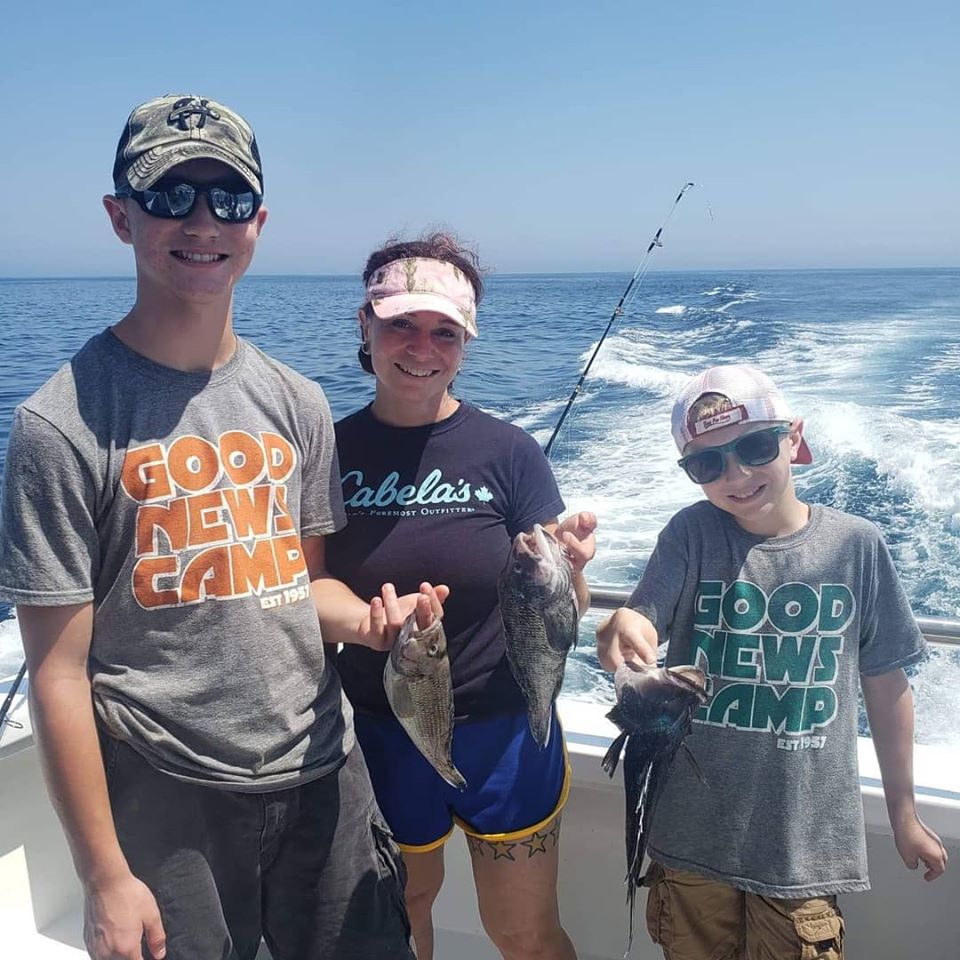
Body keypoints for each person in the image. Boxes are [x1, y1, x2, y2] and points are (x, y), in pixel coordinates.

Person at [0, 94, 424, 960]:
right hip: (164, 788)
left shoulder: (299, 402)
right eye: (169, 195)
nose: (202, 222)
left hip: (324, 768)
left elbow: (304, 583)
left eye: (228, 199)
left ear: (257, 223)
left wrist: (375, 623)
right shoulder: (58, 425)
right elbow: (58, 671)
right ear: (120, 217)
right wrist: (104, 876)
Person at [596, 363, 948, 960]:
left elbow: (886, 685)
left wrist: (905, 814)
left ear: (794, 438)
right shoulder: (689, 534)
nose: (736, 475)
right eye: (708, 465)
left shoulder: (856, 545)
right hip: (688, 841)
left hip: (803, 848)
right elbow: (636, 623)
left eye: (756, 448)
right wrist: (620, 628)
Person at [321, 232, 596, 960]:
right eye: (401, 324)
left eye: (445, 331)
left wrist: (571, 565)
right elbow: (304, 585)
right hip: (384, 730)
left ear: (466, 343)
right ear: (366, 325)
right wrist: (368, 624)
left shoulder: (510, 453)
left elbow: (564, 609)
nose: (422, 347)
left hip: (509, 729)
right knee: (403, 912)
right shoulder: (327, 452)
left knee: (523, 931)